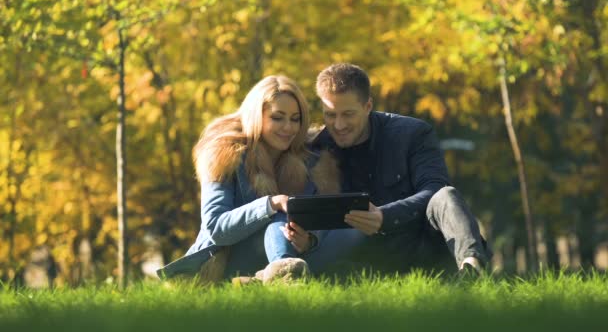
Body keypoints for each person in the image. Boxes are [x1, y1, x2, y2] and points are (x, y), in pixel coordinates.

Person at [310, 63, 492, 275]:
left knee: (446, 195)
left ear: (368, 106)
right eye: (330, 115)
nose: (339, 125)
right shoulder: (314, 149)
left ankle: (472, 267)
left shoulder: (412, 134)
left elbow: (434, 188)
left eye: (348, 114)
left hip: (424, 246)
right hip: (364, 259)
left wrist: (384, 216)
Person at [157, 75, 340, 283]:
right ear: (257, 116)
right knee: (280, 213)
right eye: (277, 118)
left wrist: (309, 239)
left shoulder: (310, 158)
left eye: (295, 119)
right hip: (223, 259)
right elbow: (216, 227)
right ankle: (285, 277)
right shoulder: (225, 153)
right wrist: (270, 204)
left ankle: (262, 279)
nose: (288, 127)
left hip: (291, 254)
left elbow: (324, 214)